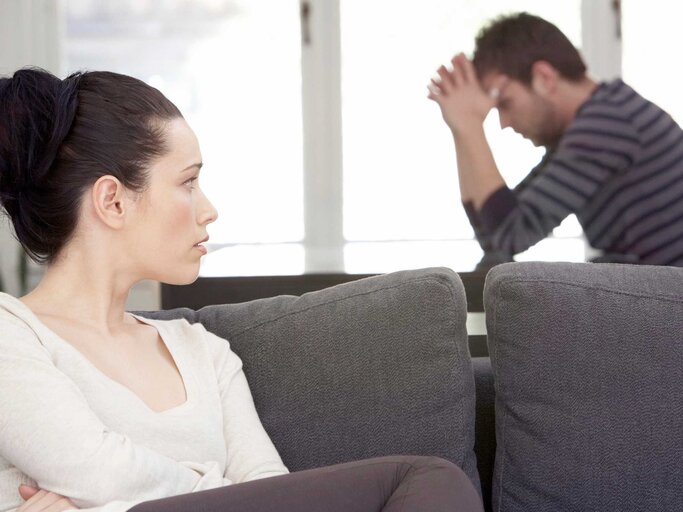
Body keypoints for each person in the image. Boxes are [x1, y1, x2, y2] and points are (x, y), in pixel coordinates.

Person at [0, 68, 483, 512]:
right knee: (423, 478)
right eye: (188, 182)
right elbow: (97, 470)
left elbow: (274, 496)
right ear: (113, 201)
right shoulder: (12, 335)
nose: (208, 210)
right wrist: (219, 488)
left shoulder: (203, 352)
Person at [428, 12, 683, 267]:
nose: (504, 123)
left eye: (505, 103)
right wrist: (460, 130)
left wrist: (470, 125)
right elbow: (495, 235)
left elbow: (513, 234)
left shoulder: (605, 125)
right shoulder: (598, 119)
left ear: (544, 78)